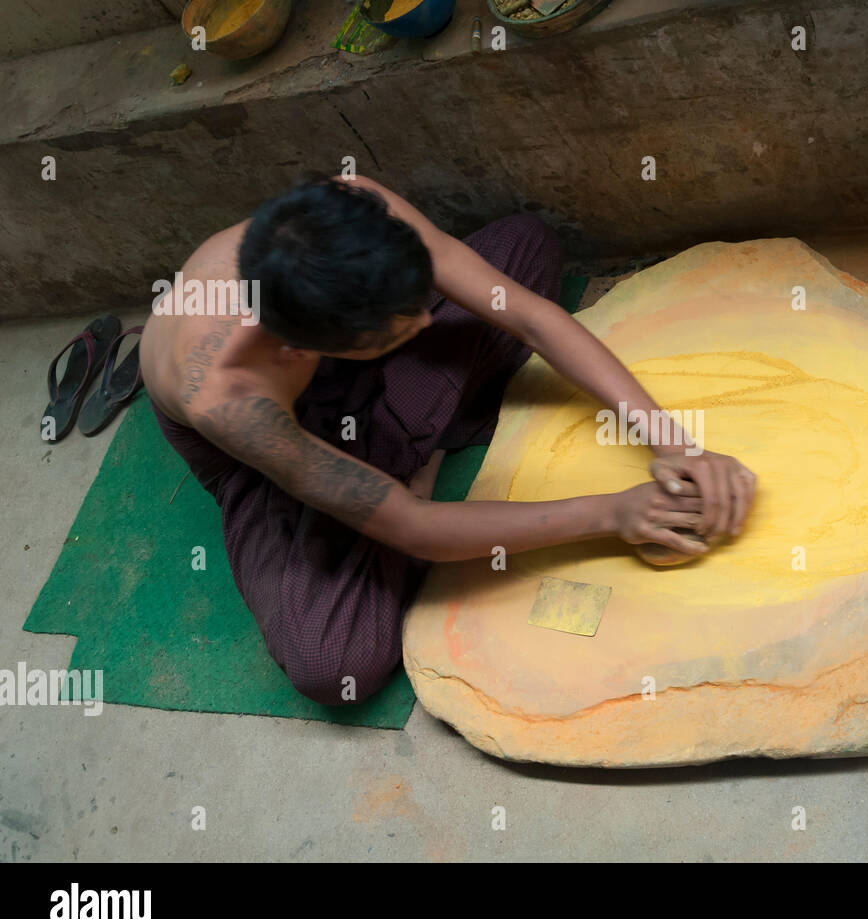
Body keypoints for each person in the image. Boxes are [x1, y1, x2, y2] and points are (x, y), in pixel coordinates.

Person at [140, 174, 756, 705]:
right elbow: (412, 525)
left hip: (351, 367)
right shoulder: (226, 396)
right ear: (305, 347)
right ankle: (407, 456)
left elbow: (525, 314)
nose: (431, 321)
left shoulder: (350, 209)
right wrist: (613, 512)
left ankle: (414, 444)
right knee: (334, 664)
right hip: (280, 455)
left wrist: (673, 442)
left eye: (419, 306)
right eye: (403, 326)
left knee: (525, 243)